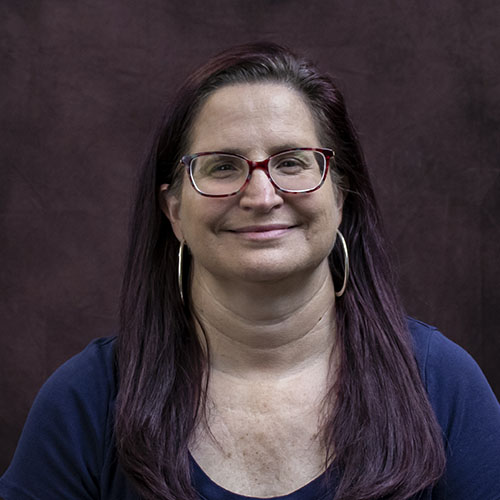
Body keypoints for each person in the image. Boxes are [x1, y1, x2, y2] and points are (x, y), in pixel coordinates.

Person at [1, 42, 500, 500]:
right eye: (222, 166)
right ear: (174, 210)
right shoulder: (86, 400)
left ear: (340, 196)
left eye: (291, 162)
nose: (262, 197)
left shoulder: (442, 385)